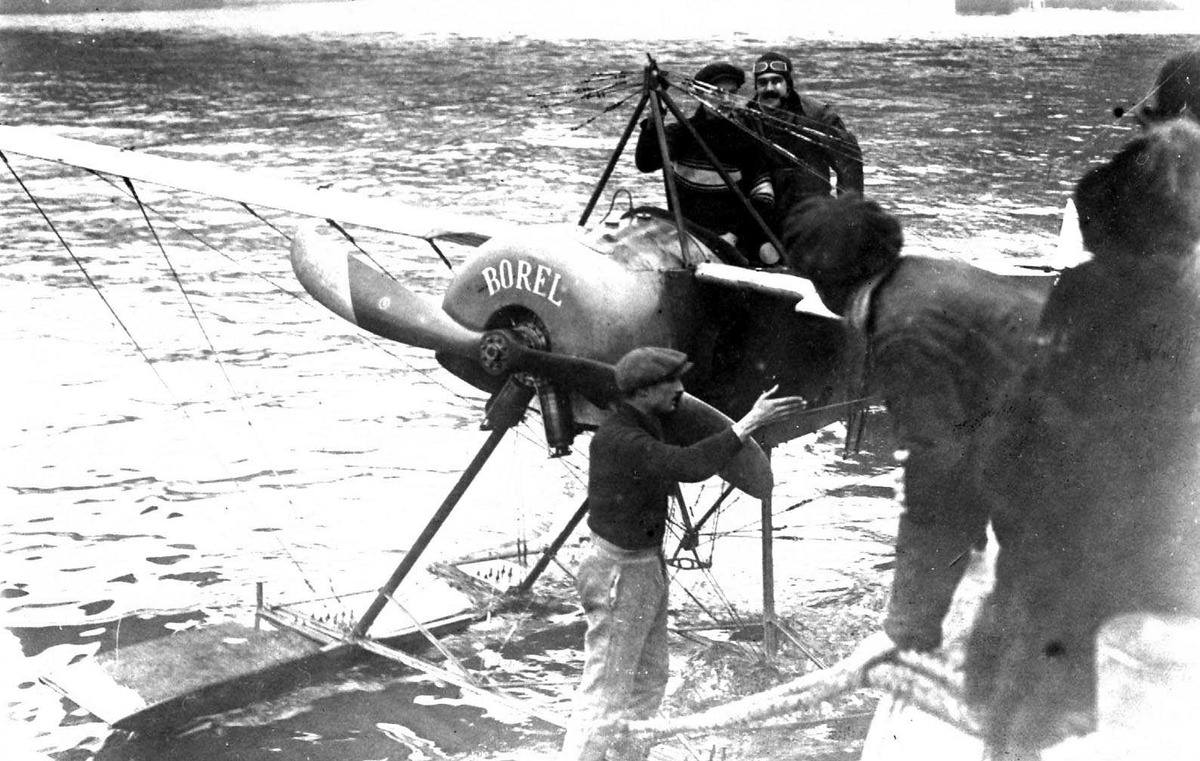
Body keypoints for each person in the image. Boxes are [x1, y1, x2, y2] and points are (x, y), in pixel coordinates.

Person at [961, 118, 1200, 758]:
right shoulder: (1161, 296)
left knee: (1023, 708)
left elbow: (1025, 428)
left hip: (1067, 547)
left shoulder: (1088, 290)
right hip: (1132, 550)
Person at [780, 193, 1051, 657]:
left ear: (826, 284)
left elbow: (937, 478)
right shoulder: (925, 274)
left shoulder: (904, 330)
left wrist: (907, 628)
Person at [560, 346, 807, 761]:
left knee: (649, 680)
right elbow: (688, 465)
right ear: (641, 392)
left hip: (643, 566)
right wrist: (751, 422)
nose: (680, 389)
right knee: (604, 694)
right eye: (669, 382)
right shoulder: (619, 438)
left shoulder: (645, 421)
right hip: (619, 571)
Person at [634, 62, 777, 265]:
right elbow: (646, 162)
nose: (726, 100)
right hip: (686, 237)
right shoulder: (682, 132)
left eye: (731, 93)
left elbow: (763, 199)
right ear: (699, 96)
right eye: (718, 93)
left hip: (732, 241)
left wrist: (734, 236)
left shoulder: (746, 140)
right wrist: (652, 119)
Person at [748, 52, 863, 233]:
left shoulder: (819, 116)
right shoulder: (744, 117)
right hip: (764, 215)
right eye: (762, 83)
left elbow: (849, 164)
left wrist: (848, 217)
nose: (769, 88)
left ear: (788, 85)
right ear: (756, 86)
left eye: (776, 81)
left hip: (811, 214)